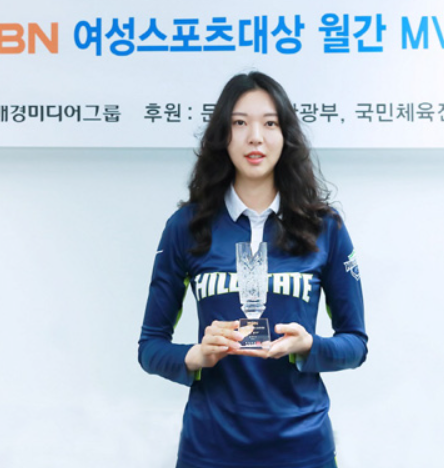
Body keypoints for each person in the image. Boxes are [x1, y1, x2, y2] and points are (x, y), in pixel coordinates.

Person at [138, 71, 368, 468]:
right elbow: (150, 347)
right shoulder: (186, 227)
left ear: (286, 135)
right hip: (210, 449)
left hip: (302, 449)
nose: (255, 137)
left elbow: (356, 344)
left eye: (270, 123)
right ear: (222, 136)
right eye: (240, 123)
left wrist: (310, 346)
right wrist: (195, 356)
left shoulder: (324, 227)